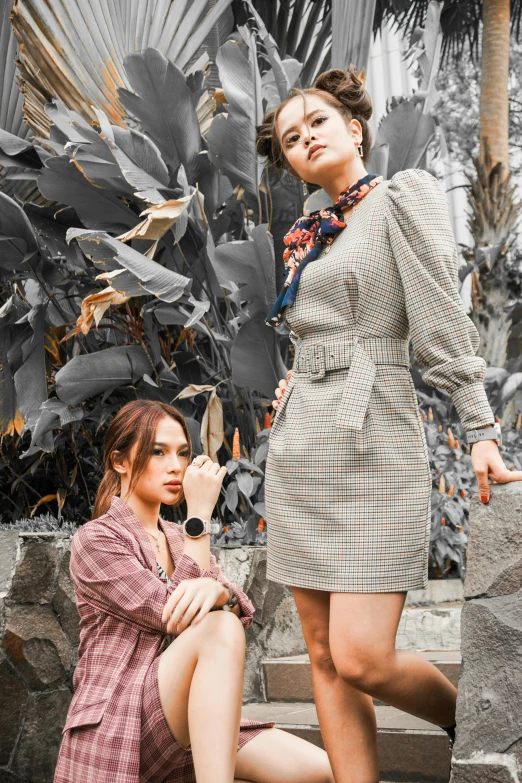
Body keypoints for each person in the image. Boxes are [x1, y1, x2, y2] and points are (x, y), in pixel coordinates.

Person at [256, 68, 522, 783]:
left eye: (316, 121)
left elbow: (439, 317)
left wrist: (481, 430)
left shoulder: (402, 199)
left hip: (374, 433)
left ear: (355, 128)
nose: (304, 136)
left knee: (362, 655)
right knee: (320, 649)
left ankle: (471, 724)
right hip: (303, 439)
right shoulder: (305, 233)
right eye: (289, 137)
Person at [54, 399, 333, 783]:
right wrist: (199, 517)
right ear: (119, 461)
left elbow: (231, 600)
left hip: (191, 718)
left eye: (183, 453)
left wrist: (219, 593)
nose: (176, 466)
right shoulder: (97, 540)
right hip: (124, 718)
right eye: (157, 452)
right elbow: (175, 615)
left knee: (321, 772)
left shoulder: (176, 536)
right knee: (219, 628)